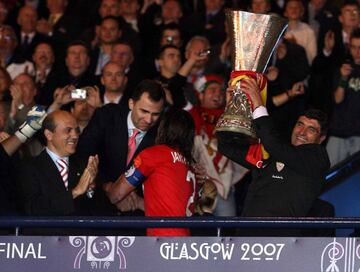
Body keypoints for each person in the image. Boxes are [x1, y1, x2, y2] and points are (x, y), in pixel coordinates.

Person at [218, 77, 330, 235]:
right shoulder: (270, 153)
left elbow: (273, 144)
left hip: (280, 246)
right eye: (300, 125)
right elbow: (227, 147)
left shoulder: (317, 159)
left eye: (311, 129)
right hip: (245, 240)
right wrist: (231, 109)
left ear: (321, 138)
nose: (302, 133)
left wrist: (258, 102)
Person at [77, 79, 166, 215]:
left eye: (155, 114)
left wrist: (130, 196)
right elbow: (82, 154)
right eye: (144, 111)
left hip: (136, 211)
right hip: (98, 204)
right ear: (131, 103)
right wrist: (106, 186)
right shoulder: (107, 116)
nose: (149, 120)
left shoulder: (163, 135)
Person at [106, 107, 196, 236]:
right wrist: (136, 202)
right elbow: (169, 208)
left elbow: (116, 194)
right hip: (185, 242)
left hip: (163, 241)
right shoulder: (190, 166)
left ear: (162, 128)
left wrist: (105, 187)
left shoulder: (154, 155)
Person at [17, 110, 99, 216]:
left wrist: (90, 189)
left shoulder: (84, 165)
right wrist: (75, 192)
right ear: (49, 135)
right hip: (47, 231)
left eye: (77, 130)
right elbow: (32, 208)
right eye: (68, 130)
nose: (75, 136)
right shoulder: (30, 167)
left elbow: (95, 209)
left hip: (80, 231)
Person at [326, 27, 360, 166]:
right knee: (328, 176)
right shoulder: (343, 70)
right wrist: (343, 78)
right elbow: (337, 99)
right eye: (354, 47)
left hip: (358, 134)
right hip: (338, 131)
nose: (357, 52)